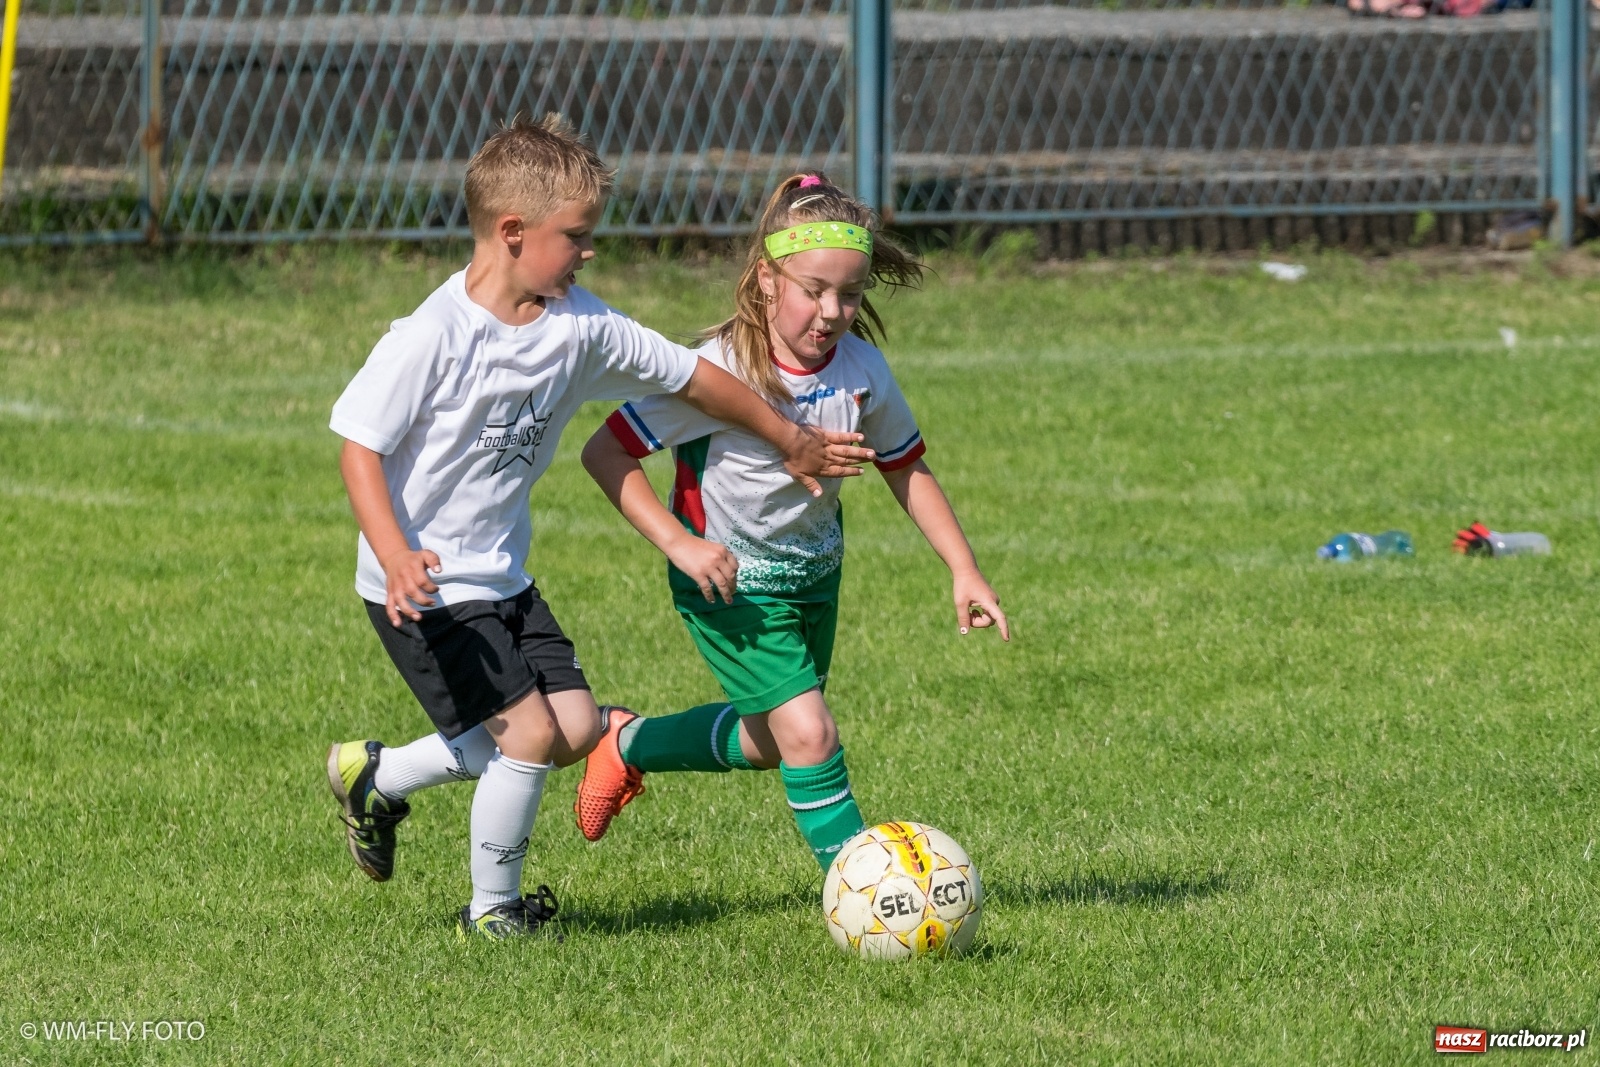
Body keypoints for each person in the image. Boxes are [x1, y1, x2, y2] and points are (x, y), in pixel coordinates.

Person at [324, 120, 872, 939]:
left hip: (501, 576)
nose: (589, 253)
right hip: (421, 586)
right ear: (513, 234)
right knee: (530, 736)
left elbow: (699, 378)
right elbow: (358, 448)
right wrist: (397, 553)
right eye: (575, 237)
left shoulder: (579, 325)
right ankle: (495, 912)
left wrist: (787, 436)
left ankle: (376, 776)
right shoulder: (431, 337)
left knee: (574, 731)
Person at [574, 173, 1010, 871]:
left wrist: (964, 568)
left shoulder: (863, 371)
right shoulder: (714, 372)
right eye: (814, 289)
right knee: (810, 732)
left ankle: (627, 744)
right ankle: (865, 888)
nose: (833, 310)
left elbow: (906, 468)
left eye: (851, 292)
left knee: (771, 740)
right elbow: (605, 452)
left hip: (813, 579)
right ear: (767, 280)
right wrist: (680, 543)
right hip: (726, 582)